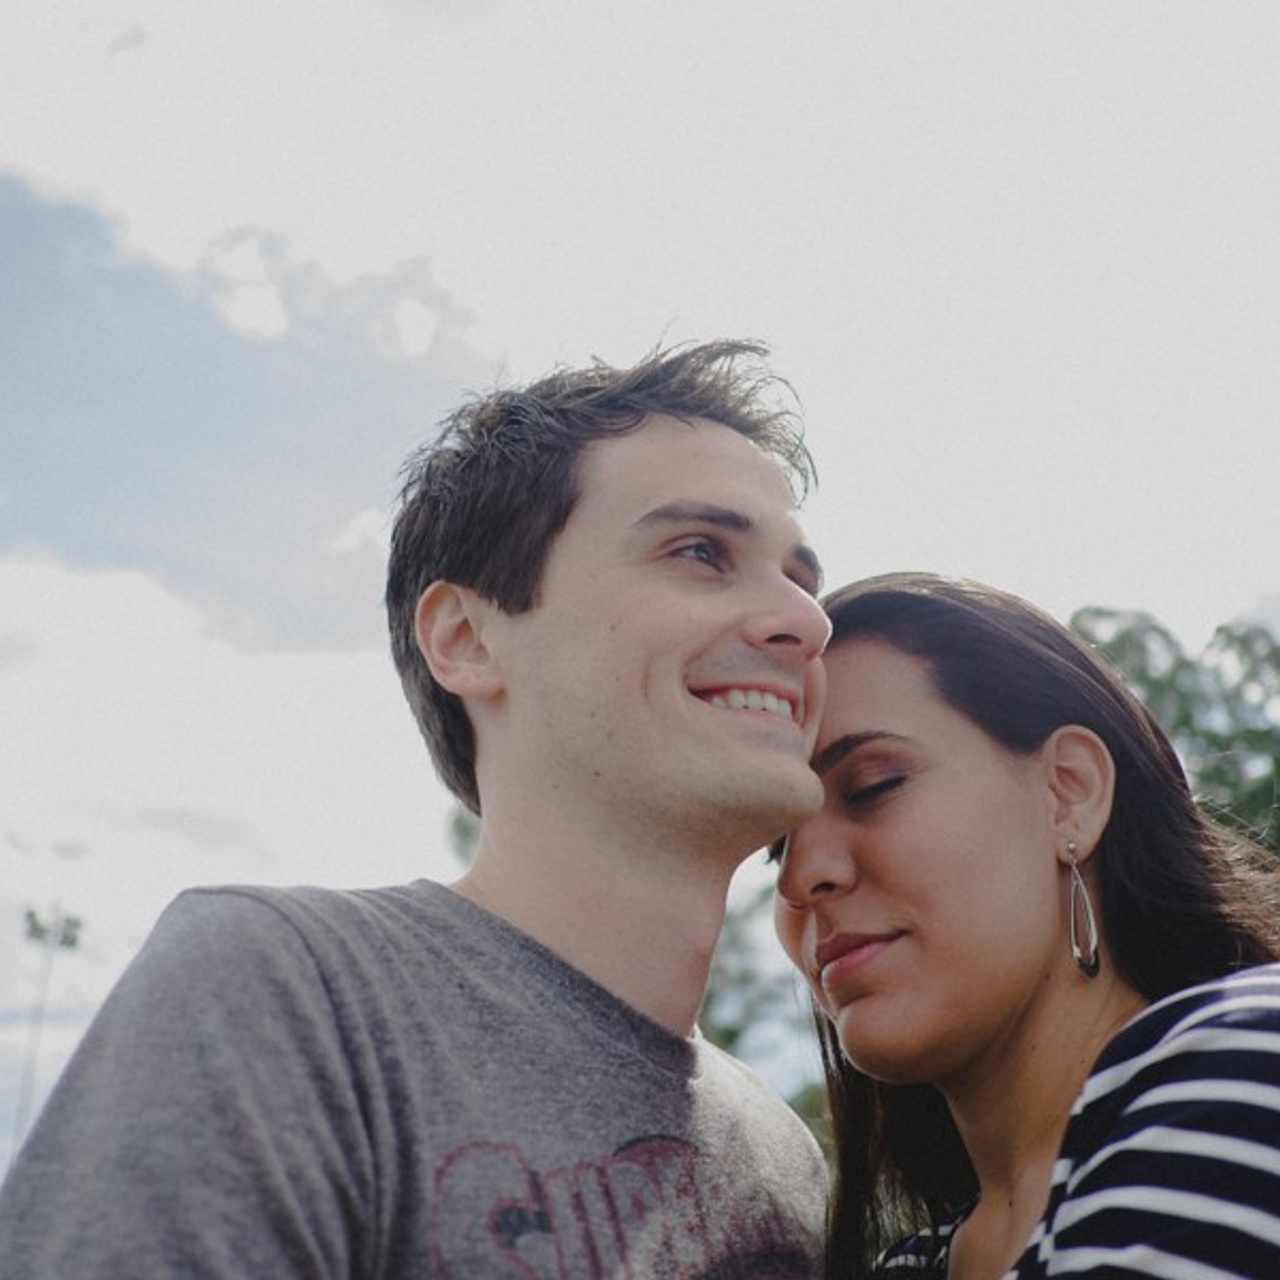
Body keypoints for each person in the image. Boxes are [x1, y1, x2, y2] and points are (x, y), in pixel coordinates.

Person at [0, 341, 833, 1278]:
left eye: (800, 579)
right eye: (701, 552)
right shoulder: (285, 990)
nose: (808, 621)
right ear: (467, 638)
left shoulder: (787, 1159)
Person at [772, 572, 1280, 1279]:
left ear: (1068, 791)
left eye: (873, 786)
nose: (801, 877)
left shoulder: (1248, 1061)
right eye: (775, 843)